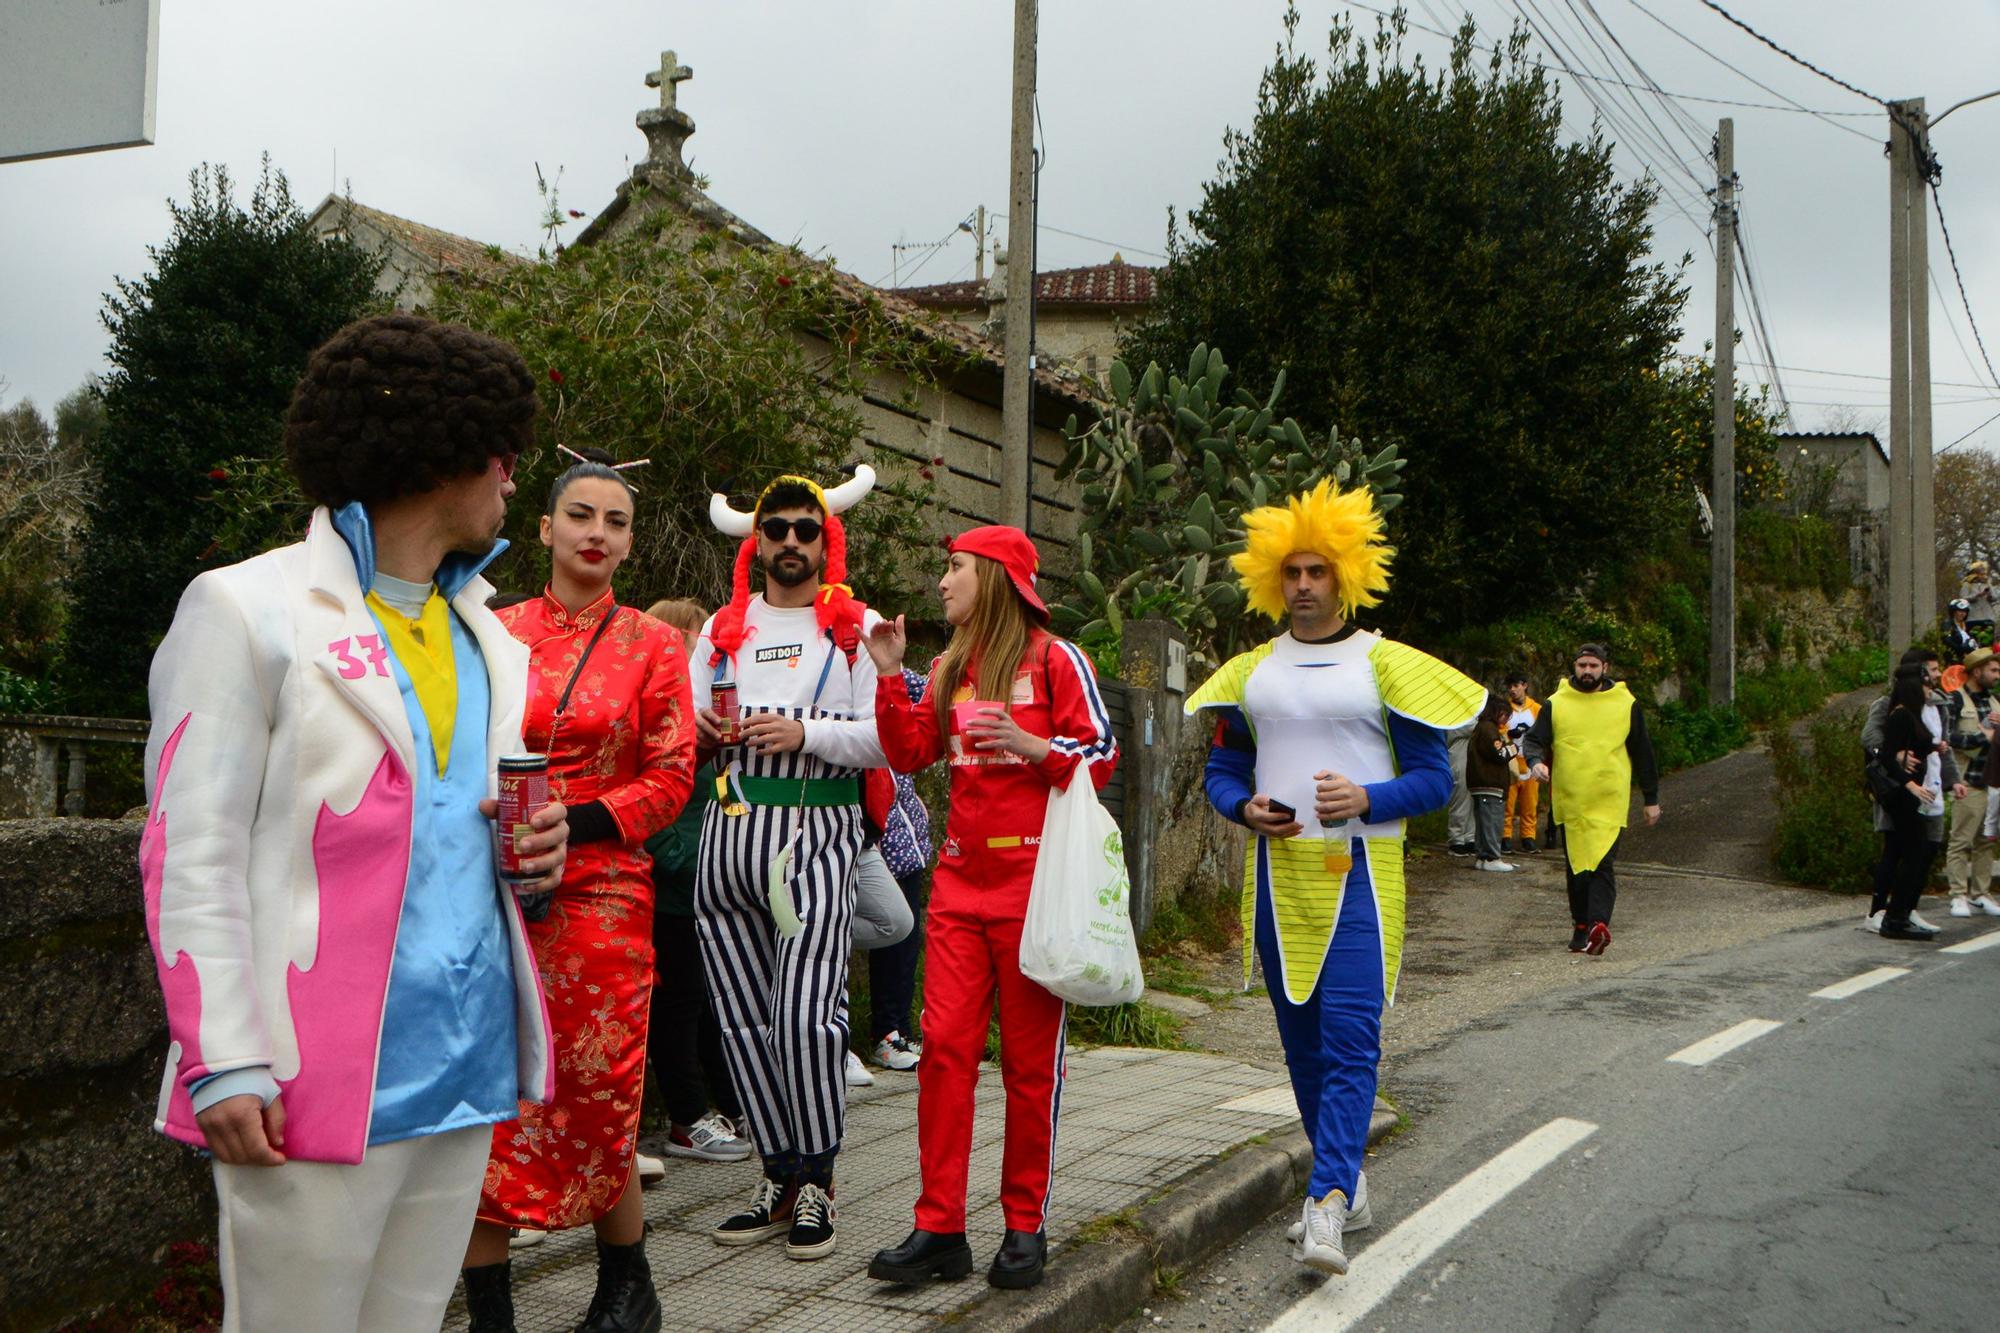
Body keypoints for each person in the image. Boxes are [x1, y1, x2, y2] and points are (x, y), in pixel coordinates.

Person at [139, 313, 570, 1333]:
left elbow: (459, 840)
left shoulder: (489, 636)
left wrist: (534, 861)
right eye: (504, 455)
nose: (513, 483)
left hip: (460, 1065)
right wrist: (225, 1058)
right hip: (304, 1075)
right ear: (444, 453)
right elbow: (183, 851)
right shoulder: (246, 607)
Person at [1184, 481, 1483, 1277]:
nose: (1306, 584)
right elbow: (1224, 766)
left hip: (1362, 875)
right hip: (1280, 878)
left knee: (1352, 1041)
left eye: (1319, 570)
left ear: (1346, 576)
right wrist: (1243, 808)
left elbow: (1432, 781)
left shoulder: (1388, 665)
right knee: (1301, 1047)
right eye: (1293, 572)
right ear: (1272, 581)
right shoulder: (1250, 672)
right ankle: (1347, 1180)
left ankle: (1324, 1205)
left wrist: (1367, 798)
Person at [466, 447, 696, 1333]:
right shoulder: (490, 627)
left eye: (616, 521)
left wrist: (582, 822)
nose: (597, 532)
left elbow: (673, 775)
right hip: (494, 884)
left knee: (598, 1089)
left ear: (631, 543)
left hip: (603, 893)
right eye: (581, 515)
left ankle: (628, 1285)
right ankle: (490, 1309)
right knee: (487, 1093)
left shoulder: (654, 643)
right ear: (544, 527)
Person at [864, 525, 1118, 1291]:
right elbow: (910, 750)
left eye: (956, 568)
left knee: (1029, 1063)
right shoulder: (948, 665)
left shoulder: (1056, 658)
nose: (942, 581)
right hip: (957, 888)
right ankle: (940, 1225)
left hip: (1034, 890)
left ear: (998, 577)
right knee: (942, 1050)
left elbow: (1101, 753)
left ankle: (1023, 1225)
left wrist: (1034, 745)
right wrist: (888, 675)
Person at [692, 467, 887, 1262]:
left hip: (816, 827)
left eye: (808, 528)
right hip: (729, 827)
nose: (793, 542)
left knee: (807, 1015)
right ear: (757, 539)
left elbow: (890, 738)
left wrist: (804, 734)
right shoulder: (720, 628)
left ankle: (819, 1179)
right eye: (779, 528)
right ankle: (776, 1172)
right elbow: (684, 720)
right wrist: (702, 731)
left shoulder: (856, 626)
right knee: (740, 1015)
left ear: (826, 537)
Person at [640, 598, 753, 1167]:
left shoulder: (700, 711)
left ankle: (728, 1106)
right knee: (679, 1004)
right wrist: (687, 860)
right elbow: (654, 811)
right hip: (674, 888)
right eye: (698, 639)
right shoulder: (658, 711)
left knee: (708, 1001)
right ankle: (686, 1119)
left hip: (708, 886)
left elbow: (717, 790)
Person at [1524, 644, 1661, 956]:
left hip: (1609, 799)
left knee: (1602, 863)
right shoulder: (1557, 703)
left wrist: (1651, 798)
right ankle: (1581, 926)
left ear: (1605, 668)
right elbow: (1534, 740)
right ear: (1574, 667)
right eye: (1582, 665)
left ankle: (1599, 924)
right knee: (1577, 867)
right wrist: (1535, 762)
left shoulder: (1625, 703)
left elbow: (1643, 752)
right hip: (1571, 800)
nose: (1587, 671)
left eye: (1593, 666)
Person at [867, 671, 935, 1073]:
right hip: (878, 844)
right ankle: (885, 1032)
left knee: (908, 941)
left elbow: (929, 689)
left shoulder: (885, 673)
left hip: (908, 843)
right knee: (889, 942)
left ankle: (901, 1029)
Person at [1861, 649, 1956, 935]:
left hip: (1931, 785)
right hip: (1899, 787)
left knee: (1926, 847)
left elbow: (1942, 745)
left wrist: (1953, 780)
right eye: (1931, 671)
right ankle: (1880, 911)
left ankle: (1907, 908)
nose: (1937, 676)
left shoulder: (1938, 705)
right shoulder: (1889, 704)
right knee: (1896, 848)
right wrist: (1896, 756)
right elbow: (1871, 738)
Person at [1942, 647, 2000, 919]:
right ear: (1977, 671)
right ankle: (1958, 894)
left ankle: (1981, 893)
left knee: (1986, 841)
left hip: (1992, 782)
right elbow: (1948, 739)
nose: (1997, 675)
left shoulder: (1996, 702)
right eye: (1993, 670)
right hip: (1968, 780)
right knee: (1961, 840)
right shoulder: (1955, 700)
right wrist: (1983, 737)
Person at [1467, 692, 1517, 872]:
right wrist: (1513, 748)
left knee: (1482, 822)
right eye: (1505, 714)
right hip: (1490, 784)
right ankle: (1492, 856)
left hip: (1480, 783)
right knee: (1492, 821)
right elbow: (1500, 755)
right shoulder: (1489, 729)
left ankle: (1482, 856)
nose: (1506, 719)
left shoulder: (1480, 728)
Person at [1501, 673, 1543, 853]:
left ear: (1524, 685)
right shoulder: (1504, 709)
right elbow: (1499, 731)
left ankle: (1528, 837)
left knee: (1530, 803)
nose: (1512, 690)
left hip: (1530, 760)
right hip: (1511, 761)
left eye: (1516, 685)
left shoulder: (1537, 709)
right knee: (1508, 803)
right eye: (1510, 687)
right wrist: (1510, 735)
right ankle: (1505, 837)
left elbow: (1544, 731)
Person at [1444, 720, 1477, 855]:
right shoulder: (1456, 715)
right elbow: (1471, 727)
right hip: (1458, 755)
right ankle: (1456, 838)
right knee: (1460, 797)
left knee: (1472, 797)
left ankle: (1470, 837)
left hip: (1471, 755)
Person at [1960, 561, 1996, 643]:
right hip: (1972, 618)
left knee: (1987, 642)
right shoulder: (1967, 585)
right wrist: (1977, 595)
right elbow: (1963, 599)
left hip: (1988, 617)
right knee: (1974, 641)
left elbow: (1995, 597)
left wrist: (1989, 595)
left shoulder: (1988, 584)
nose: (1982, 574)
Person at [1945, 598, 1979, 665]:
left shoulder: (1966, 625)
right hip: (1955, 659)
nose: (1963, 614)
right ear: (1953, 612)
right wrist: (1962, 648)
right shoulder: (1948, 624)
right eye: (1960, 611)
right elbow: (1947, 640)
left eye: (1965, 611)